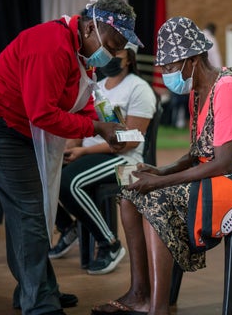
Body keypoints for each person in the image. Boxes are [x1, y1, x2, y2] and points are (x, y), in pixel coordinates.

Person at [91, 16, 232, 315]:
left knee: (156, 198)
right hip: (226, 173)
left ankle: (158, 307)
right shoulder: (200, 90)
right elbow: (199, 152)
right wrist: (163, 171)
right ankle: (140, 293)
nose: (167, 74)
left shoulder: (227, 88)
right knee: (130, 198)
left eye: (170, 68)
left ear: (192, 59)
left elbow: (223, 162)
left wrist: (159, 183)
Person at [0, 0, 143, 314]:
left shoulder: (82, 53)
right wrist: (97, 129)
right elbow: (42, 113)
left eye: (118, 50)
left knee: (28, 211)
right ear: (90, 27)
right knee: (29, 211)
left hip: (17, 129)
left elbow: (81, 102)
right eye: (112, 46)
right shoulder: (51, 45)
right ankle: (39, 301)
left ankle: (35, 291)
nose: (113, 56)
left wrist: (100, 126)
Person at [49, 47, 157, 276]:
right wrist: (71, 147)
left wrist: (83, 153)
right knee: (45, 172)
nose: (109, 58)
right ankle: (68, 228)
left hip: (127, 162)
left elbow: (132, 140)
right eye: (107, 53)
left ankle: (110, 244)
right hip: (93, 156)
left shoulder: (138, 88)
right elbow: (81, 124)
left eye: (116, 53)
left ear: (129, 57)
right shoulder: (96, 86)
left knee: (69, 182)